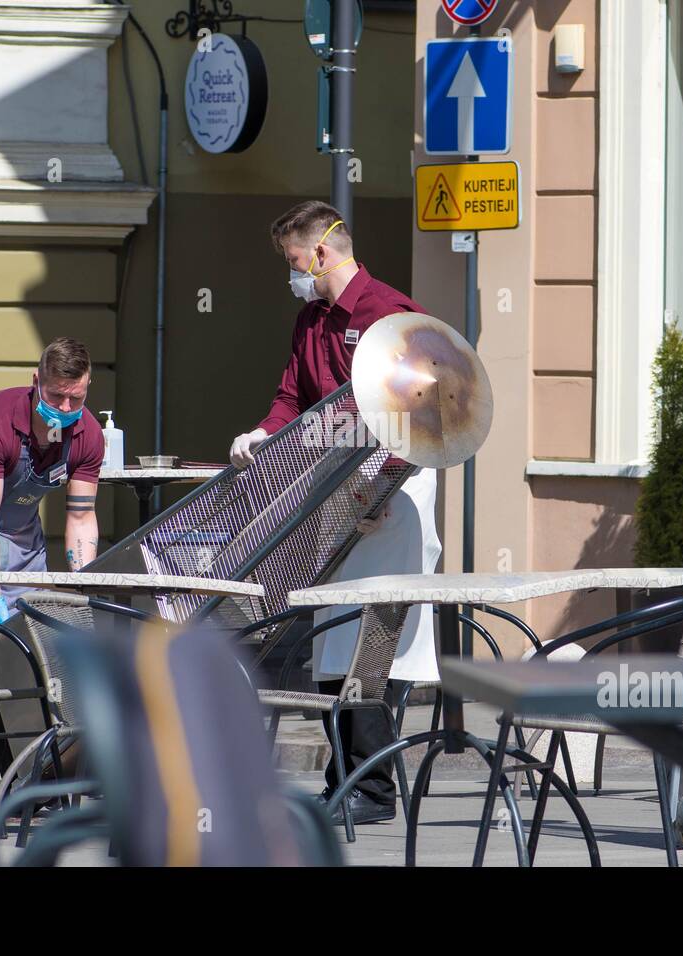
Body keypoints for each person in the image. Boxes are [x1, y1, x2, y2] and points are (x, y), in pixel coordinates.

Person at [230, 200, 442, 826]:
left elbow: (420, 417)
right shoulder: (311, 320)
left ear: (321, 252)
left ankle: (373, 787)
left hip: (389, 492)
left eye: (293, 261)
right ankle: (345, 776)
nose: (290, 273)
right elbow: (291, 397)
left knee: (375, 640)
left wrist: (379, 489)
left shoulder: (392, 316)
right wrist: (262, 435)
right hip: (334, 488)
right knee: (333, 642)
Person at [0, 337, 104, 666]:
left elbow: (81, 519)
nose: (65, 409)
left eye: (76, 398)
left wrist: (84, 592)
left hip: (24, 534)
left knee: (38, 639)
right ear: (37, 382)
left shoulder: (89, 435)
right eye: (56, 397)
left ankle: (41, 718)